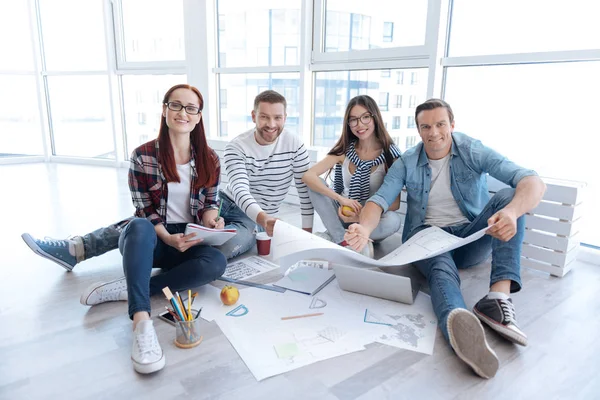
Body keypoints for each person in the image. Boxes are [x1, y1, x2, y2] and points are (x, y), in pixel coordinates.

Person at [344, 99, 546, 379]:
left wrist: (511, 213)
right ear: (418, 130)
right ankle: (459, 324)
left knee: (510, 197)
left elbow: (531, 180)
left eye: (440, 124)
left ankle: (497, 297)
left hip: (470, 238)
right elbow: (379, 201)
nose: (434, 132)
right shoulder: (407, 161)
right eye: (426, 126)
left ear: (452, 124)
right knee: (441, 268)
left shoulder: (472, 149)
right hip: (427, 237)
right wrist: (364, 229)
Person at [22, 90, 313, 271]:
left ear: (286, 118)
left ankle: (147, 273)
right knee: (150, 220)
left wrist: (307, 234)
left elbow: (305, 188)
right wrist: (259, 217)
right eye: (264, 117)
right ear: (254, 116)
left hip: (250, 222)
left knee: (221, 250)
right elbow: (238, 187)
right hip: (231, 205)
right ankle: (78, 248)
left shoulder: (295, 144)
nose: (270, 124)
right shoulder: (238, 146)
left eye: (277, 118)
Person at [68, 84, 227, 374]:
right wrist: (167, 236)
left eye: (191, 108)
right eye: (176, 105)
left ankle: (130, 289)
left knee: (216, 262)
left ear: (199, 117)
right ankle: (142, 323)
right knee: (138, 226)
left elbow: (211, 203)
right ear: (165, 110)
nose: (183, 113)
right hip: (151, 239)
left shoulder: (210, 159)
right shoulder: (143, 156)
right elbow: (144, 210)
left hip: (188, 238)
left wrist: (212, 221)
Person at [302, 95, 403, 258]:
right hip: (344, 215)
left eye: (365, 117)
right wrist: (341, 200)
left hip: (372, 222)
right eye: (353, 119)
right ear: (348, 124)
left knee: (394, 220)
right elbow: (309, 176)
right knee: (314, 186)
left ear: (375, 118)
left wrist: (362, 214)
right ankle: (341, 239)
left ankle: (350, 238)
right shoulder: (344, 150)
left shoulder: (391, 155)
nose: (359, 125)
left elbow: (395, 203)